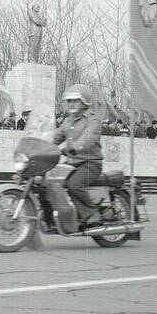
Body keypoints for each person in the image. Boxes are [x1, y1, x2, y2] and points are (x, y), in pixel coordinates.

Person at [52, 84, 105, 228]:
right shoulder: (68, 120)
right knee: (52, 181)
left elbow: (88, 137)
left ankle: (92, 214)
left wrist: (75, 148)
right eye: (69, 101)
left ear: (85, 102)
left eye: (75, 100)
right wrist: (40, 143)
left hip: (90, 163)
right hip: (73, 163)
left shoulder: (92, 120)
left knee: (73, 184)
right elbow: (57, 136)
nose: (71, 104)